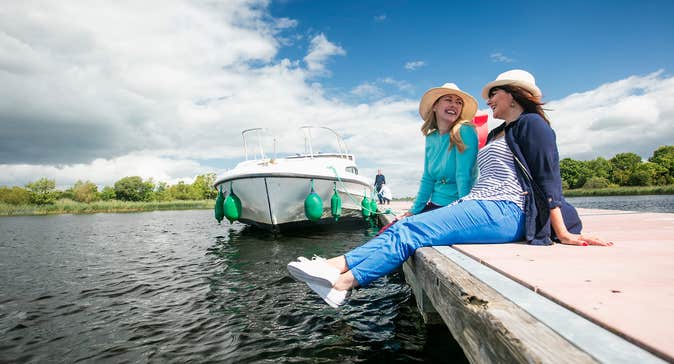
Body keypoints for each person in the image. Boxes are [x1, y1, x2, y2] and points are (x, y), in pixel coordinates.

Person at [287, 70, 611, 308]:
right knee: (407, 225)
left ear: (513, 94)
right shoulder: (503, 130)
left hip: (508, 208)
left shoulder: (533, 125)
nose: (488, 100)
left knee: (411, 232)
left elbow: (547, 176)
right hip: (485, 204)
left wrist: (562, 232)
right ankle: (338, 276)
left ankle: (338, 276)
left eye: (494, 94)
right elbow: (443, 174)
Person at [399, 83, 479, 219]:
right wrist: (413, 211)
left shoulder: (464, 130)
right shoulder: (431, 138)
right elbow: (428, 178)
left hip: (456, 205)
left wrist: (465, 212)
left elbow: (464, 176)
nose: (454, 105)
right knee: (394, 230)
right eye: (448, 100)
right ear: (435, 106)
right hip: (434, 205)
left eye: (459, 102)